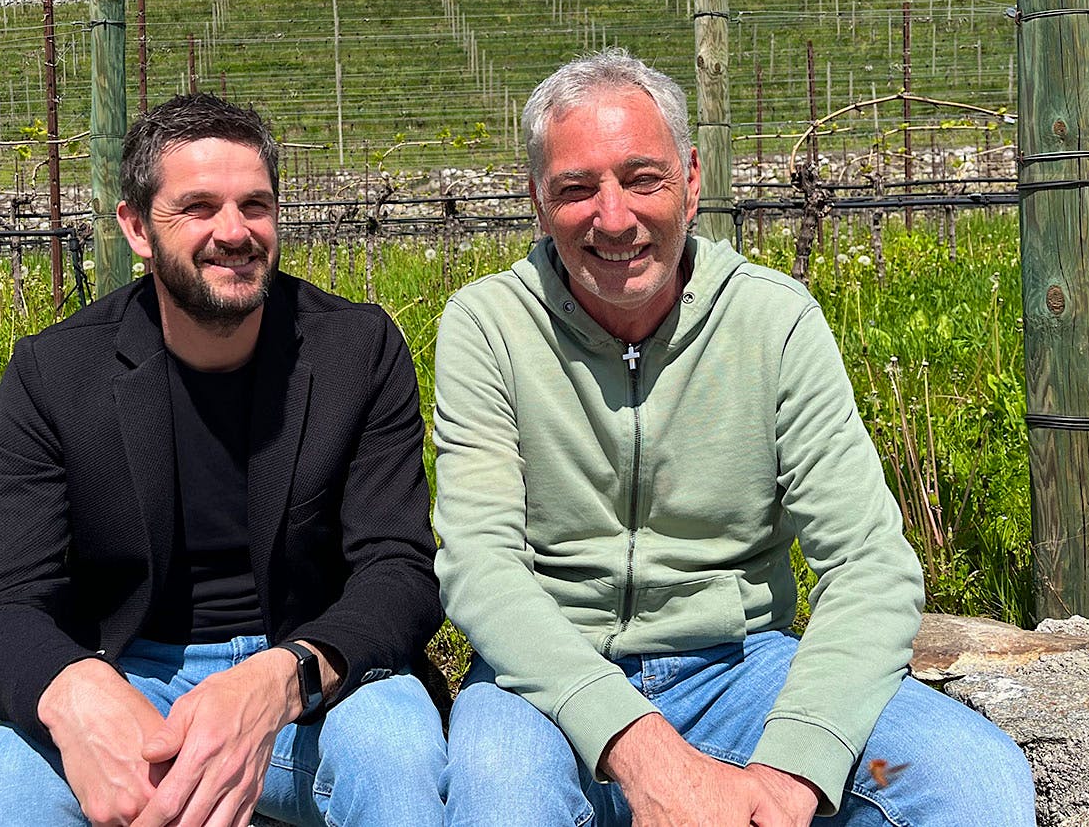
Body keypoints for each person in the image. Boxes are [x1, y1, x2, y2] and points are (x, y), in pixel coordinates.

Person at [433, 49, 1035, 827]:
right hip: (543, 689)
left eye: (641, 178)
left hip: (744, 678)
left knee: (963, 778)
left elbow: (868, 564)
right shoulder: (487, 326)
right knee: (500, 804)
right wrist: (639, 748)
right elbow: (481, 568)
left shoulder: (773, 321)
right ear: (538, 202)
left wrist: (794, 769)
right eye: (577, 189)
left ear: (691, 179)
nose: (613, 218)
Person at [0, 93, 446, 827]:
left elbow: (400, 572)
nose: (234, 232)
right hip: (132, 680)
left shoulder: (355, 352)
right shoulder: (56, 375)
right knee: (2, 789)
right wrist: (75, 687)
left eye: (256, 204)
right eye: (199, 208)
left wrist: (283, 677)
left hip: (313, 681)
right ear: (137, 228)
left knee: (396, 754)